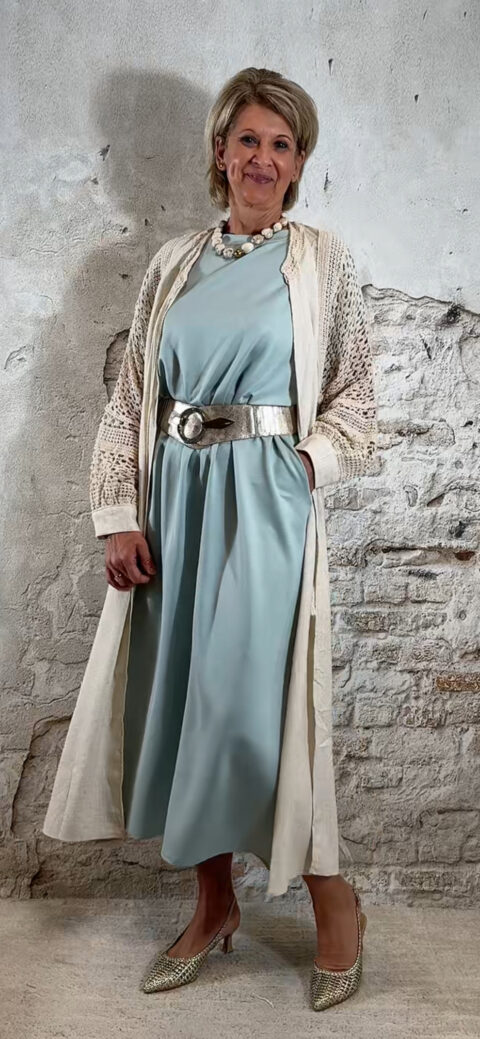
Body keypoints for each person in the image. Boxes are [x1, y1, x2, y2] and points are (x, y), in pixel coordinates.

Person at [43, 66, 377, 1011]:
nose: (262, 158)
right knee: (182, 695)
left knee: (250, 704)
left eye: (281, 144)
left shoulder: (322, 261)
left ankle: (334, 898)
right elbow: (129, 399)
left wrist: (302, 465)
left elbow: (358, 394)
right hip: (175, 499)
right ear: (220, 152)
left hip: (265, 500)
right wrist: (119, 513)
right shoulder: (173, 263)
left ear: (298, 163)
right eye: (248, 140)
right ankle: (213, 901)